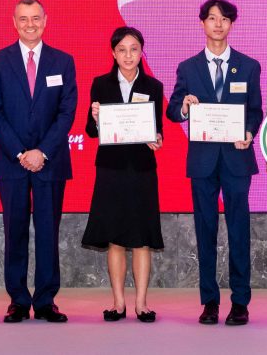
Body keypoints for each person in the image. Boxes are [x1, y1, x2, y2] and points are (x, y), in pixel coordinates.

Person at [166, 0, 262, 326]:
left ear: (232, 24)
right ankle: (208, 301)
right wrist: (185, 107)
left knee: (238, 231)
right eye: (211, 18)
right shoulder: (188, 67)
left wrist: (249, 132)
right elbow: (172, 108)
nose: (218, 24)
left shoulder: (249, 66)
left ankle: (240, 303)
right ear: (202, 23)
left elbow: (255, 110)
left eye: (224, 19)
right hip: (203, 161)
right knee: (205, 231)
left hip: (237, 158)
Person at [0, 0, 77, 323]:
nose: (30, 24)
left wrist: (42, 151)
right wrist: (21, 153)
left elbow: (67, 113)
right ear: (14, 21)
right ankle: (19, 300)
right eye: (23, 19)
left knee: (49, 232)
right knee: (16, 231)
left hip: (50, 162)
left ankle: (46, 300)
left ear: (45, 20)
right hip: (12, 162)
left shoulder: (63, 61)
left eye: (35, 18)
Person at [81, 26, 165, 322]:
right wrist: (94, 117)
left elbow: (158, 132)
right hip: (111, 170)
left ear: (142, 52)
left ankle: (141, 303)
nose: (128, 56)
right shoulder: (100, 84)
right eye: (122, 50)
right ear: (113, 53)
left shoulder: (153, 86)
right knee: (115, 239)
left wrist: (157, 140)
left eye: (134, 49)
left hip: (142, 169)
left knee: (142, 239)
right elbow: (91, 132)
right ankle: (118, 303)